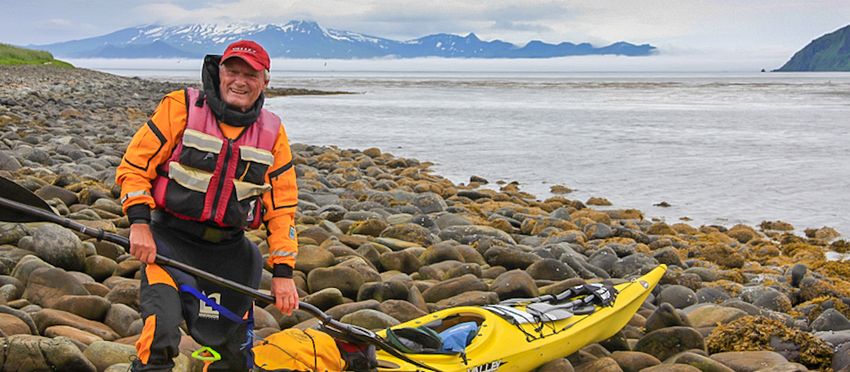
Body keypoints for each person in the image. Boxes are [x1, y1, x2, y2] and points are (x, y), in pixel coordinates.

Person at [116, 40, 299, 371]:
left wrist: (283, 273)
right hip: (169, 244)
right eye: (232, 71)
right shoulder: (180, 107)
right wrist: (140, 224)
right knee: (161, 333)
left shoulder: (273, 132)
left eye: (250, 74)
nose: (239, 81)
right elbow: (134, 168)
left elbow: (282, 208)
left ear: (265, 82)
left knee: (235, 357)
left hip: (231, 257)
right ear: (219, 72)